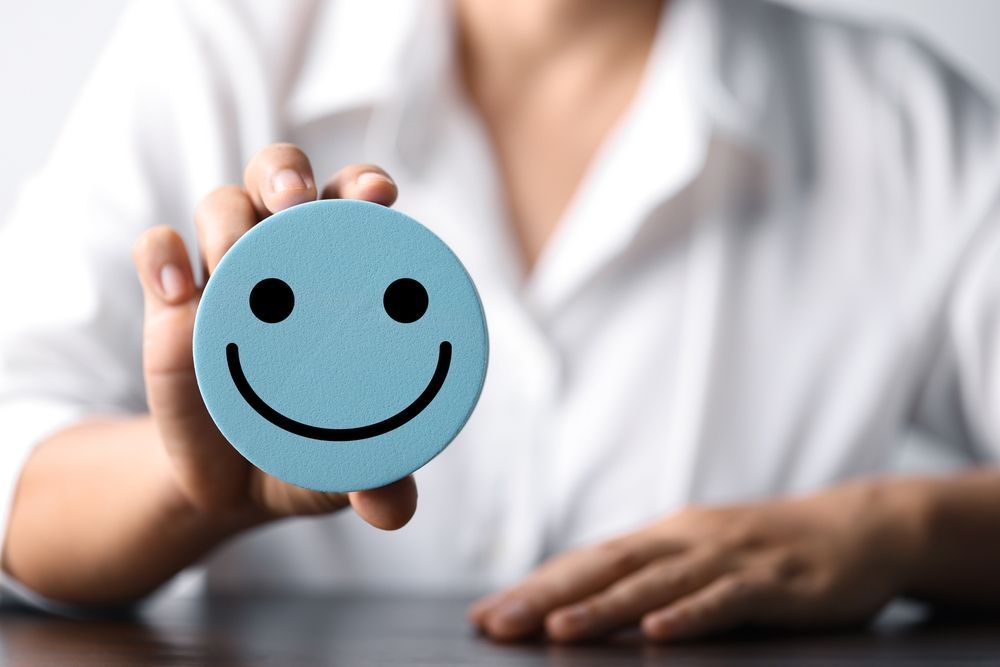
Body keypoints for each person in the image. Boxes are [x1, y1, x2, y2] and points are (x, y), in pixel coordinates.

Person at [2, 0, 1000, 643]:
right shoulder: (216, 49)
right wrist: (197, 487)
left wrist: (896, 530)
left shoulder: (899, 121)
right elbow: (14, 453)